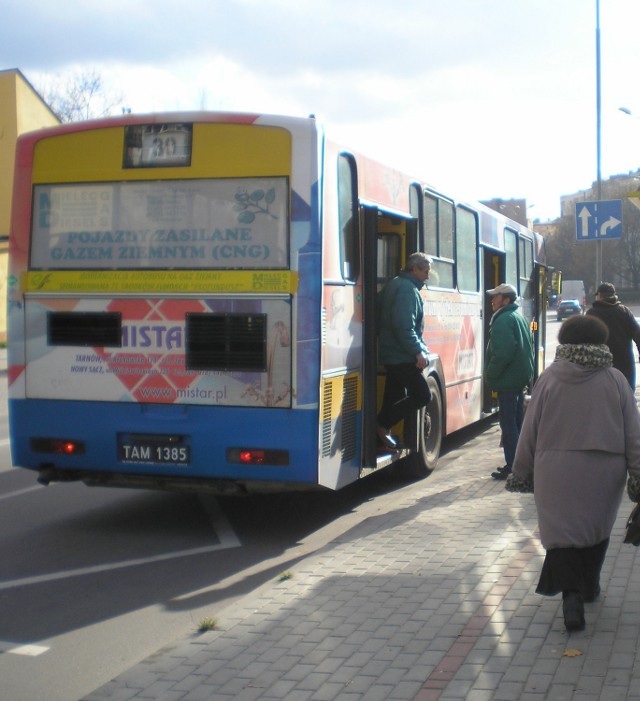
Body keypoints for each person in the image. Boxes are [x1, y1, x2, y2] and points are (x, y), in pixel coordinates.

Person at [506, 314, 640, 632]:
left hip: (555, 470)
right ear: (600, 341)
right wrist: (637, 473)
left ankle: (571, 596)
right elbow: (633, 433)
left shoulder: (549, 378)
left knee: (562, 536)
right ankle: (589, 584)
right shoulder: (615, 379)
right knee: (594, 530)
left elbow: (529, 429)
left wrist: (521, 470)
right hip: (605, 471)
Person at [376, 252, 432, 450]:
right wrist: (418, 351)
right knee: (423, 395)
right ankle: (381, 424)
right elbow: (404, 326)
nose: (427, 276)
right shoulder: (407, 290)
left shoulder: (395, 284)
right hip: (401, 356)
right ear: (413, 269)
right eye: (425, 271)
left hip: (392, 354)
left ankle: (381, 438)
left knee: (394, 396)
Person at [484, 283, 534, 480]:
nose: (492, 300)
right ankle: (522, 463)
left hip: (508, 381)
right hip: (519, 379)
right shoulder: (518, 316)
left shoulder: (503, 320)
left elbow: (503, 352)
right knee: (518, 424)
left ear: (505, 300)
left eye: (496, 297)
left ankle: (514, 466)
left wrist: (491, 373)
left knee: (509, 425)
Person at [586, 282, 640, 390]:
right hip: (624, 364)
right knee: (625, 398)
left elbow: (583, 339)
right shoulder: (624, 312)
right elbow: (638, 335)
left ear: (600, 295)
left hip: (599, 364)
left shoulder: (592, 314)